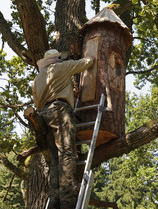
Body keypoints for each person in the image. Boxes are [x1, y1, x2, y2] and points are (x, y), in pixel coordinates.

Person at [33, 49, 94, 209]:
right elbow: (85, 63)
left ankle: (54, 200)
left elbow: (36, 100)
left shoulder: (37, 79)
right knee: (67, 153)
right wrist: (92, 55)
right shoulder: (61, 67)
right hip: (60, 111)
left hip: (44, 116)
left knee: (54, 160)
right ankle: (67, 200)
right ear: (56, 59)